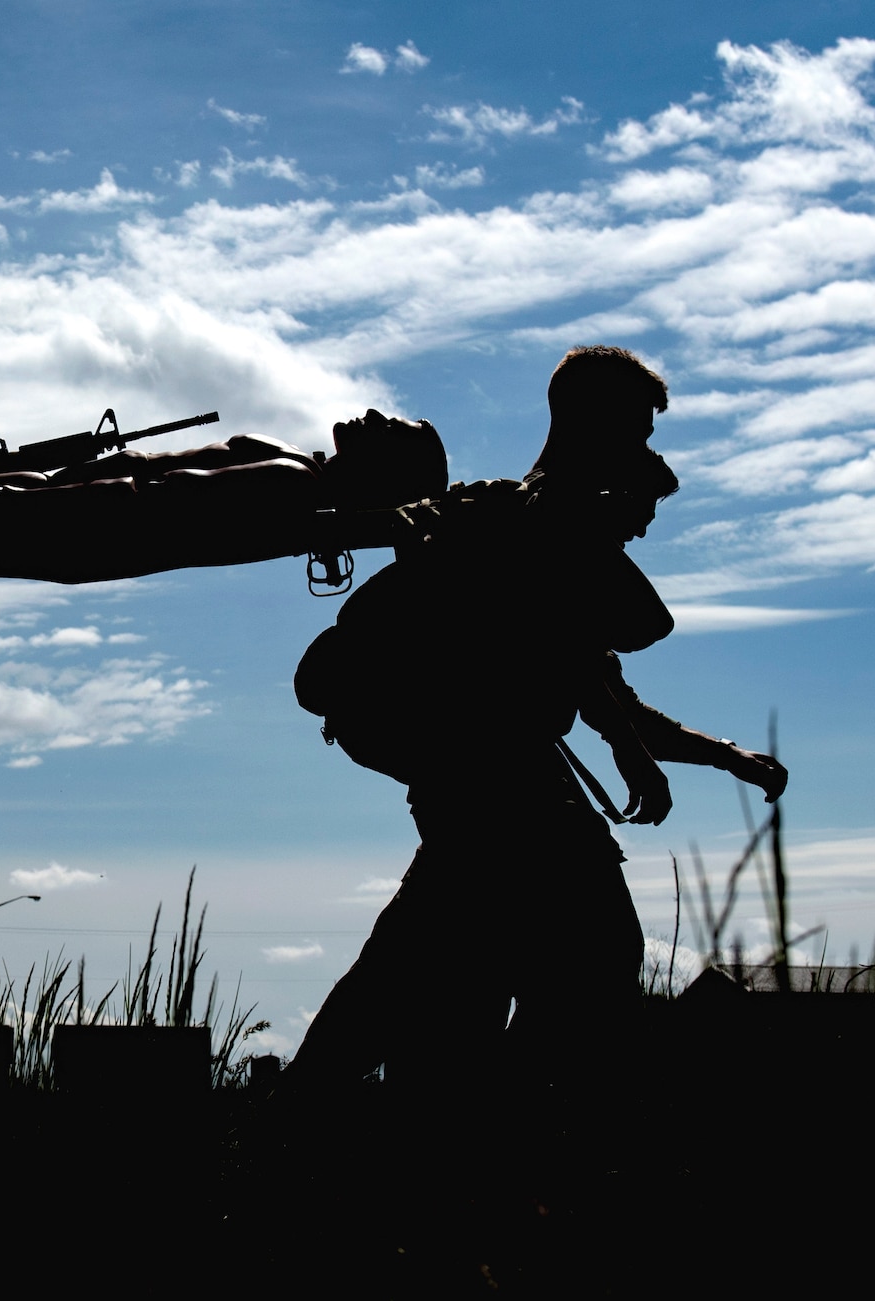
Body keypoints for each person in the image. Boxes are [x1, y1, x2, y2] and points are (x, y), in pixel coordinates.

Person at [284, 347, 786, 1101]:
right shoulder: (536, 520)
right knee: (576, 960)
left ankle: (317, 1120)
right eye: (641, 432)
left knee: (430, 978)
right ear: (600, 422)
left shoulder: (537, 523)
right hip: (500, 794)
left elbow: (605, 683)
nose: (646, 452)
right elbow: (577, 647)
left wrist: (724, 756)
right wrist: (627, 752)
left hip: (488, 794)